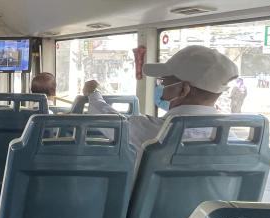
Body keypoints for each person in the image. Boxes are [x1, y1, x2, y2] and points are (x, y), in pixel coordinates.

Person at [83, 45, 239, 153]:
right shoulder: (233, 140)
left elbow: (107, 119)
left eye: (164, 82)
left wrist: (93, 93)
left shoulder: (155, 132)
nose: (160, 87)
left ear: (183, 89)